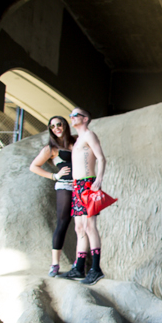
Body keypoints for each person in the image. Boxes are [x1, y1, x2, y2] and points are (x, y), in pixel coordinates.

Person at [58, 108, 107, 285]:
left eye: (75, 115)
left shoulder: (89, 135)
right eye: (70, 115)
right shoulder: (78, 139)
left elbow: (101, 158)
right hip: (78, 185)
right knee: (79, 227)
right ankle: (78, 267)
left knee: (89, 225)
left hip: (88, 183)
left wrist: (99, 179)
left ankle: (96, 269)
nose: (71, 118)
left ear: (85, 118)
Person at [29, 115, 75, 277]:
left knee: (83, 224)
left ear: (65, 125)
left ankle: (80, 262)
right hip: (65, 186)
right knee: (62, 222)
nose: (56, 128)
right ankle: (55, 264)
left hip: (82, 186)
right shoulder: (51, 148)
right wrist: (54, 176)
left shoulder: (75, 142)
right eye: (52, 126)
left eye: (59, 124)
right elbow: (34, 166)